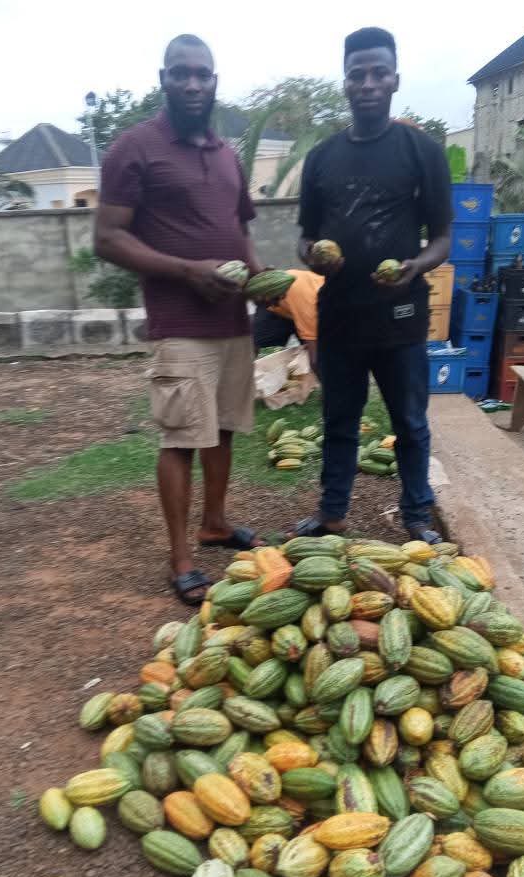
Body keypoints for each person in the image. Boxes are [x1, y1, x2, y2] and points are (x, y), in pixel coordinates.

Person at [94, 34, 265, 605]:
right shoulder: (134, 148)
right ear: (163, 78)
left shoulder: (225, 153)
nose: (193, 84)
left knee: (221, 430)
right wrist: (187, 271)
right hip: (180, 321)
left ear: (215, 81)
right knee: (180, 439)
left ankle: (215, 523)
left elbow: (240, 229)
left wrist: (264, 282)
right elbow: (109, 238)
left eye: (203, 75)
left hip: (232, 321)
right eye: (181, 74)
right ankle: (181, 558)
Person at [293, 26, 452, 544]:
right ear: (345, 82)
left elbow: (443, 238)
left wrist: (415, 267)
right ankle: (332, 513)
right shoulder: (321, 158)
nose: (368, 83)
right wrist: (314, 257)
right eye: (357, 73)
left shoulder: (421, 151)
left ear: (395, 79)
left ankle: (416, 518)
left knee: (410, 422)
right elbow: (304, 238)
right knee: (339, 420)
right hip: (339, 312)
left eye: (378, 72)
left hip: (401, 314)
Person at [252, 269, 323, 374]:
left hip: (302, 307)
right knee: (256, 348)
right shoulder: (308, 305)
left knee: (317, 352)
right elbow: (315, 360)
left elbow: (316, 358)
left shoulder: (310, 307)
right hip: (277, 312)